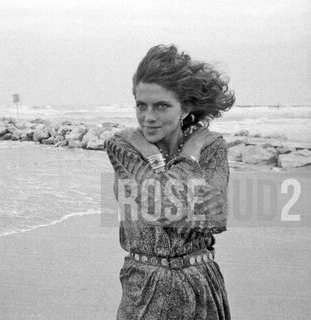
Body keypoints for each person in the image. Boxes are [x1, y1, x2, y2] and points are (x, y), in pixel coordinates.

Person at [105, 44, 235, 319]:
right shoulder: (122, 146)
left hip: (200, 285)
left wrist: (158, 178)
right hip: (143, 286)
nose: (148, 117)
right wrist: (188, 157)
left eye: (162, 106)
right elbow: (163, 206)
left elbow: (214, 220)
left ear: (185, 108)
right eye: (141, 106)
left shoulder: (211, 147)